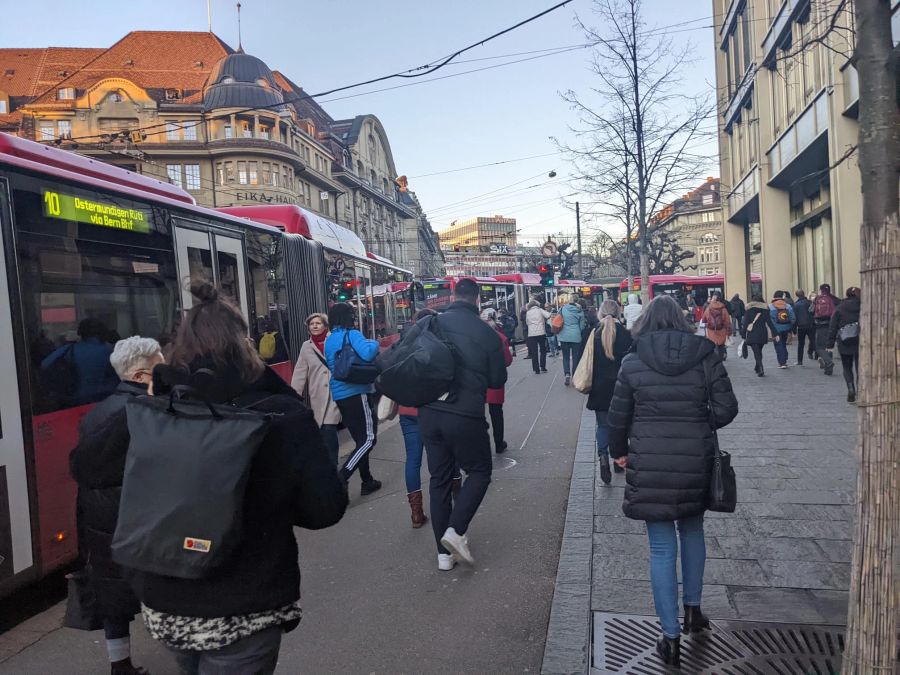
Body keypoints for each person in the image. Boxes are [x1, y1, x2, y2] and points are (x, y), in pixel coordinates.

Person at [133, 282, 347, 674]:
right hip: (244, 607)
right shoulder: (280, 416)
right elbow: (324, 510)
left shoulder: (157, 408)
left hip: (165, 601)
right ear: (245, 344)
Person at [607, 295, 738, 668]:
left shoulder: (633, 361)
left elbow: (618, 416)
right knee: (692, 532)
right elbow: (728, 408)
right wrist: (699, 423)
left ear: (644, 322)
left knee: (662, 548)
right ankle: (693, 611)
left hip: (649, 461)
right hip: (694, 458)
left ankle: (669, 636)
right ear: (681, 321)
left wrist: (619, 451)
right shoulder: (705, 355)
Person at [69, 337, 163, 675]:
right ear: (140, 375)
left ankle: (119, 663)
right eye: (159, 367)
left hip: (99, 517)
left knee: (111, 593)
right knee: (164, 586)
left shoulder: (97, 413)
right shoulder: (150, 410)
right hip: (140, 513)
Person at [412, 278, 507, 570]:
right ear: (477, 299)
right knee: (479, 471)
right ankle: (455, 530)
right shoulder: (487, 332)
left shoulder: (432, 323)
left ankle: (443, 556)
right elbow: (497, 380)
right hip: (465, 415)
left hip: (429, 412)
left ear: (454, 295)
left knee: (439, 479)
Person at [324, 302, 382, 495]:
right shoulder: (353, 334)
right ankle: (342, 477)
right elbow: (367, 353)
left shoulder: (330, 339)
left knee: (359, 439)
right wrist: (375, 342)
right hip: (357, 392)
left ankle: (367, 481)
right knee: (369, 439)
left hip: (340, 395)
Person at [397, 308, 439, 528]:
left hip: (407, 410)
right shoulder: (438, 345)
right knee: (439, 458)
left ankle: (416, 513)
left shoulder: (403, 347)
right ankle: (447, 503)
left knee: (412, 461)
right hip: (431, 409)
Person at [585, 300, 632, 485]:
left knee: (603, 426)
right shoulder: (626, 335)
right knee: (622, 425)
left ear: (600, 313)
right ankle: (619, 459)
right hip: (622, 388)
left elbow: (585, 361)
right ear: (618, 312)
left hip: (600, 389)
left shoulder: (593, 333)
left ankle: (603, 455)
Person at [290, 313, 341, 467]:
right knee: (326, 431)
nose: (315, 326)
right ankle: (331, 468)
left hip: (337, 391)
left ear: (325, 326)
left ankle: (334, 468)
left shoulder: (335, 340)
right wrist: (293, 397)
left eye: (318, 323)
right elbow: (300, 373)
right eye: (312, 324)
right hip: (318, 395)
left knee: (329, 429)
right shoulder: (307, 347)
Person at [41, 318, 119, 407]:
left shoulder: (69, 349)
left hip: (76, 401)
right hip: (107, 400)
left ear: (80, 333)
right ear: (103, 332)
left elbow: (45, 364)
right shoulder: (113, 350)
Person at [482, 308, 513, 454]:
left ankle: (480, 445)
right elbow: (507, 360)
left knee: (477, 414)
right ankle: (499, 443)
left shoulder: (473, 336)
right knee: (496, 414)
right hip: (495, 379)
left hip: (477, 381)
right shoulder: (500, 337)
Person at [828, 287, 861, 402]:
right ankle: (861, 390)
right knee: (860, 367)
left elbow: (833, 326)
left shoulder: (840, 306)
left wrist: (830, 343)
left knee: (847, 367)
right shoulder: (864, 305)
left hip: (844, 340)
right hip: (861, 340)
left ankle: (851, 389)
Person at [741, 293, 778, 377]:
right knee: (759, 351)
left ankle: (760, 367)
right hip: (762, 333)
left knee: (756, 352)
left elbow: (745, 323)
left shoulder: (749, 310)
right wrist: (775, 333)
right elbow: (769, 323)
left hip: (752, 333)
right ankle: (757, 367)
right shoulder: (765, 310)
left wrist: (743, 334)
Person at [559, 295, 587, 386]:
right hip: (576, 336)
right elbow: (582, 326)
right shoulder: (580, 311)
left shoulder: (563, 309)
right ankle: (575, 375)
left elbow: (558, 319)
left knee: (566, 357)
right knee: (576, 357)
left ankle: (567, 374)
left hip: (564, 336)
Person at [813, 283, 838, 375]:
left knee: (819, 347)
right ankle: (828, 369)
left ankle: (828, 362)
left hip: (820, 325)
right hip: (832, 325)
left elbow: (811, 310)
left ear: (821, 290)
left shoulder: (817, 299)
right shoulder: (834, 299)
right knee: (829, 345)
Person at [768, 290, 796, 368]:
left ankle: (782, 362)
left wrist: (772, 327)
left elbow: (769, 319)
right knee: (783, 342)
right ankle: (784, 356)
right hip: (786, 327)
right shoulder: (787, 306)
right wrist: (790, 325)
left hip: (775, 329)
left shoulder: (770, 306)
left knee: (778, 344)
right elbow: (793, 318)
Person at [701, 292, 731, 360]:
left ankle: (715, 359)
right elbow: (728, 322)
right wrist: (729, 332)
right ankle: (721, 358)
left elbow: (703, 320)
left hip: (711, 331)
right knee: (721, 346)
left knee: (713, 345)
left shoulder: (708, 308)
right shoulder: (723, 309)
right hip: (722, 330)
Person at [525, 300, 551, 374]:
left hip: (531, 334)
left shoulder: (528, 312)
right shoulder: (540, 310)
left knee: (534, 352)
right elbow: (548, 315)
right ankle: (543, 367)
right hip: (541, 333)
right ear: (537, 305)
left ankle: (536, 369)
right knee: (543, 350)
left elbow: (527, 322)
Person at [792, 290, 815, 366]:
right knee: (813, 341)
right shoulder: (809, 302)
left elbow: (794, 318)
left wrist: (794, 329)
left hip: (801, 326)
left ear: (797, 295)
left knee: (801, 344)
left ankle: (800, 361)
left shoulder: (796, 305)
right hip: (811, 325)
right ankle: (813, 353)